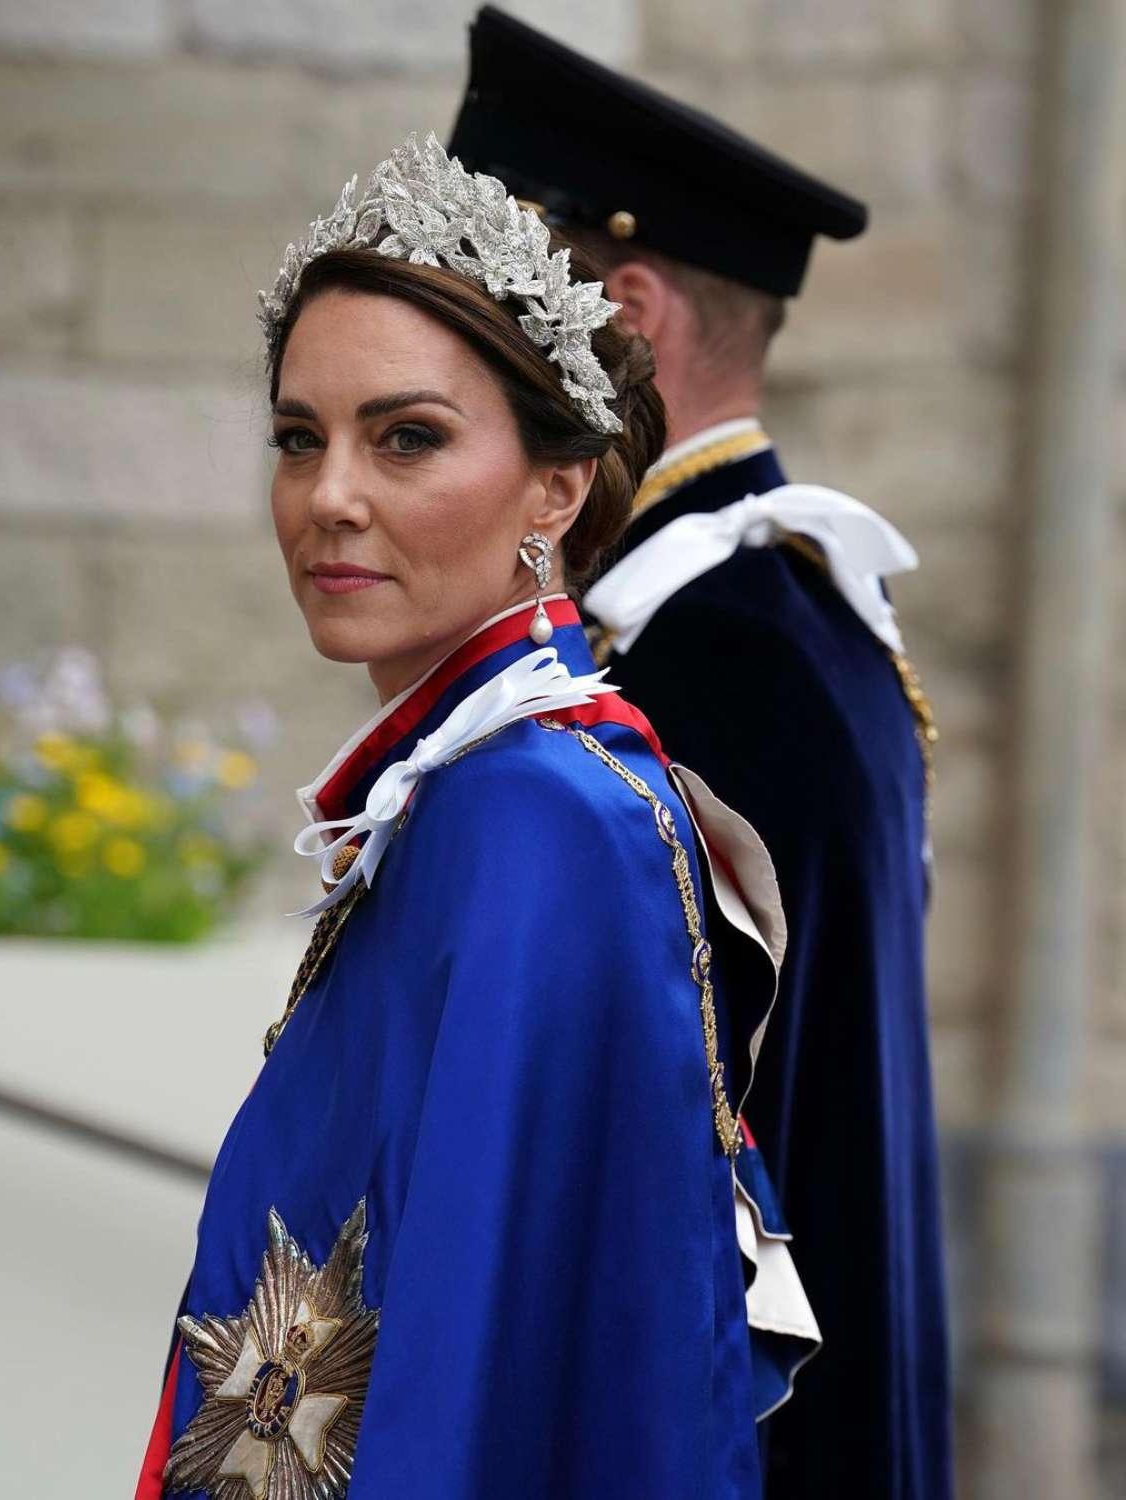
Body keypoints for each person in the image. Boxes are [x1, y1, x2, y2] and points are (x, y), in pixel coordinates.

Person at [135, 132, 818, 1500]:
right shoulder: (473, 787)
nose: (329, 498)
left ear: (556, 490)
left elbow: (480, 1359)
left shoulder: (540, 821)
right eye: (296, 438)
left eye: (408, 438)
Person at [449, 10, 952, 1499]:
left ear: (630, 317)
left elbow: (664, 1173)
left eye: (484, 308)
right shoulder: (760, 612)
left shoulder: (708, 654)